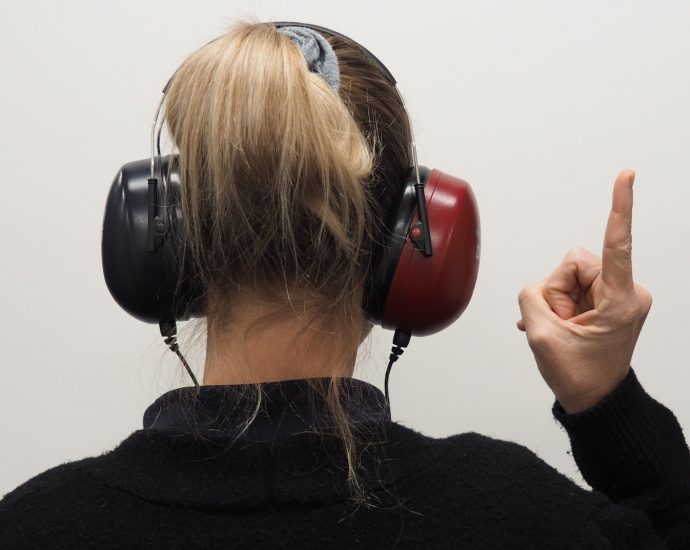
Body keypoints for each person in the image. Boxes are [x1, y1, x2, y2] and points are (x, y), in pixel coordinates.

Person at [1, 21, 689, 549]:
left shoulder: (33, 528)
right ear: (416, 245)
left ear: (162, 236)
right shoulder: (526, 517)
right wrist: (606, 402)